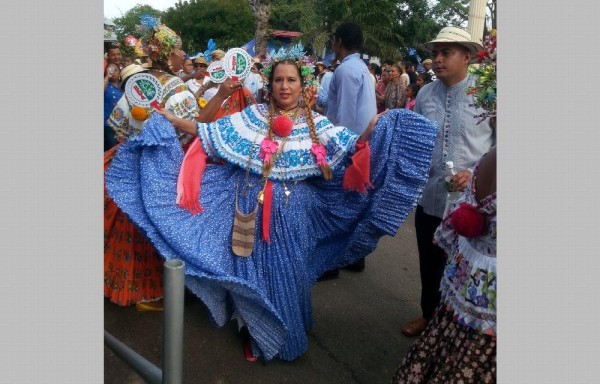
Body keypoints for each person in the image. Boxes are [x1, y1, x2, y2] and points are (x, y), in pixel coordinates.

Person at [105, 43, 439, 362]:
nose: (284, 86)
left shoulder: (316, 123)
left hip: (295, 217)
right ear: (270, 83)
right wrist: (175, 122)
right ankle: (259, 333)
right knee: (252, 274)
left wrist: (374, 127)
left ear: (302, 84)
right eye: (278, 79)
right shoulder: (251, 117)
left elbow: (350, 147)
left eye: (291, 79)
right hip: (247, 209)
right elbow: (210, 134)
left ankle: (287, 332)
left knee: (290, 276)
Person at [400, 26, 495, 337]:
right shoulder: (425, 94)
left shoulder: (486, 93)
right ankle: (429, 315)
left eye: (446, 52)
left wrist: (476, 173)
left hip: (472, 204)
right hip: (430, 197)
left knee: (465, 268)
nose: (437, 59)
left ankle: (457, 327)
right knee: (429, 263)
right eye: (435, 53)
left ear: (466, 57)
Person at [104, 16, 200, 310]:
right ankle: (152, 292)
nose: (182, 56)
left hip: (126, 164)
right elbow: (189, 130)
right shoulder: (176, 88)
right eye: (179, 51)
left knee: (127, 225)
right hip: (161, 171)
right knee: (156, 226)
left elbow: (118, 126)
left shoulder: (136, 83)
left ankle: (124, 285)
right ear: (169, 54)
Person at [325, 22, 378, 274]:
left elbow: (345, 115)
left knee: (337, 204)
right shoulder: (360, 68)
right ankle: (354, 257)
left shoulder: (346, 71)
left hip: (348, 145)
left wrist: (337, 148)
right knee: (354, 203)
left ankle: (334, 262)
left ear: (339, 41)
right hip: (361, 143)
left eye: (334, 40)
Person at [103, 63, 123, 151]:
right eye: (110, 70)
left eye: (116, 70)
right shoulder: (105, 84)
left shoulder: (123, 85)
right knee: (113, 150)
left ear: (120, 72)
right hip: (109, 124)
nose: (113, 72)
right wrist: (107, 77)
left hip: (123, 124)